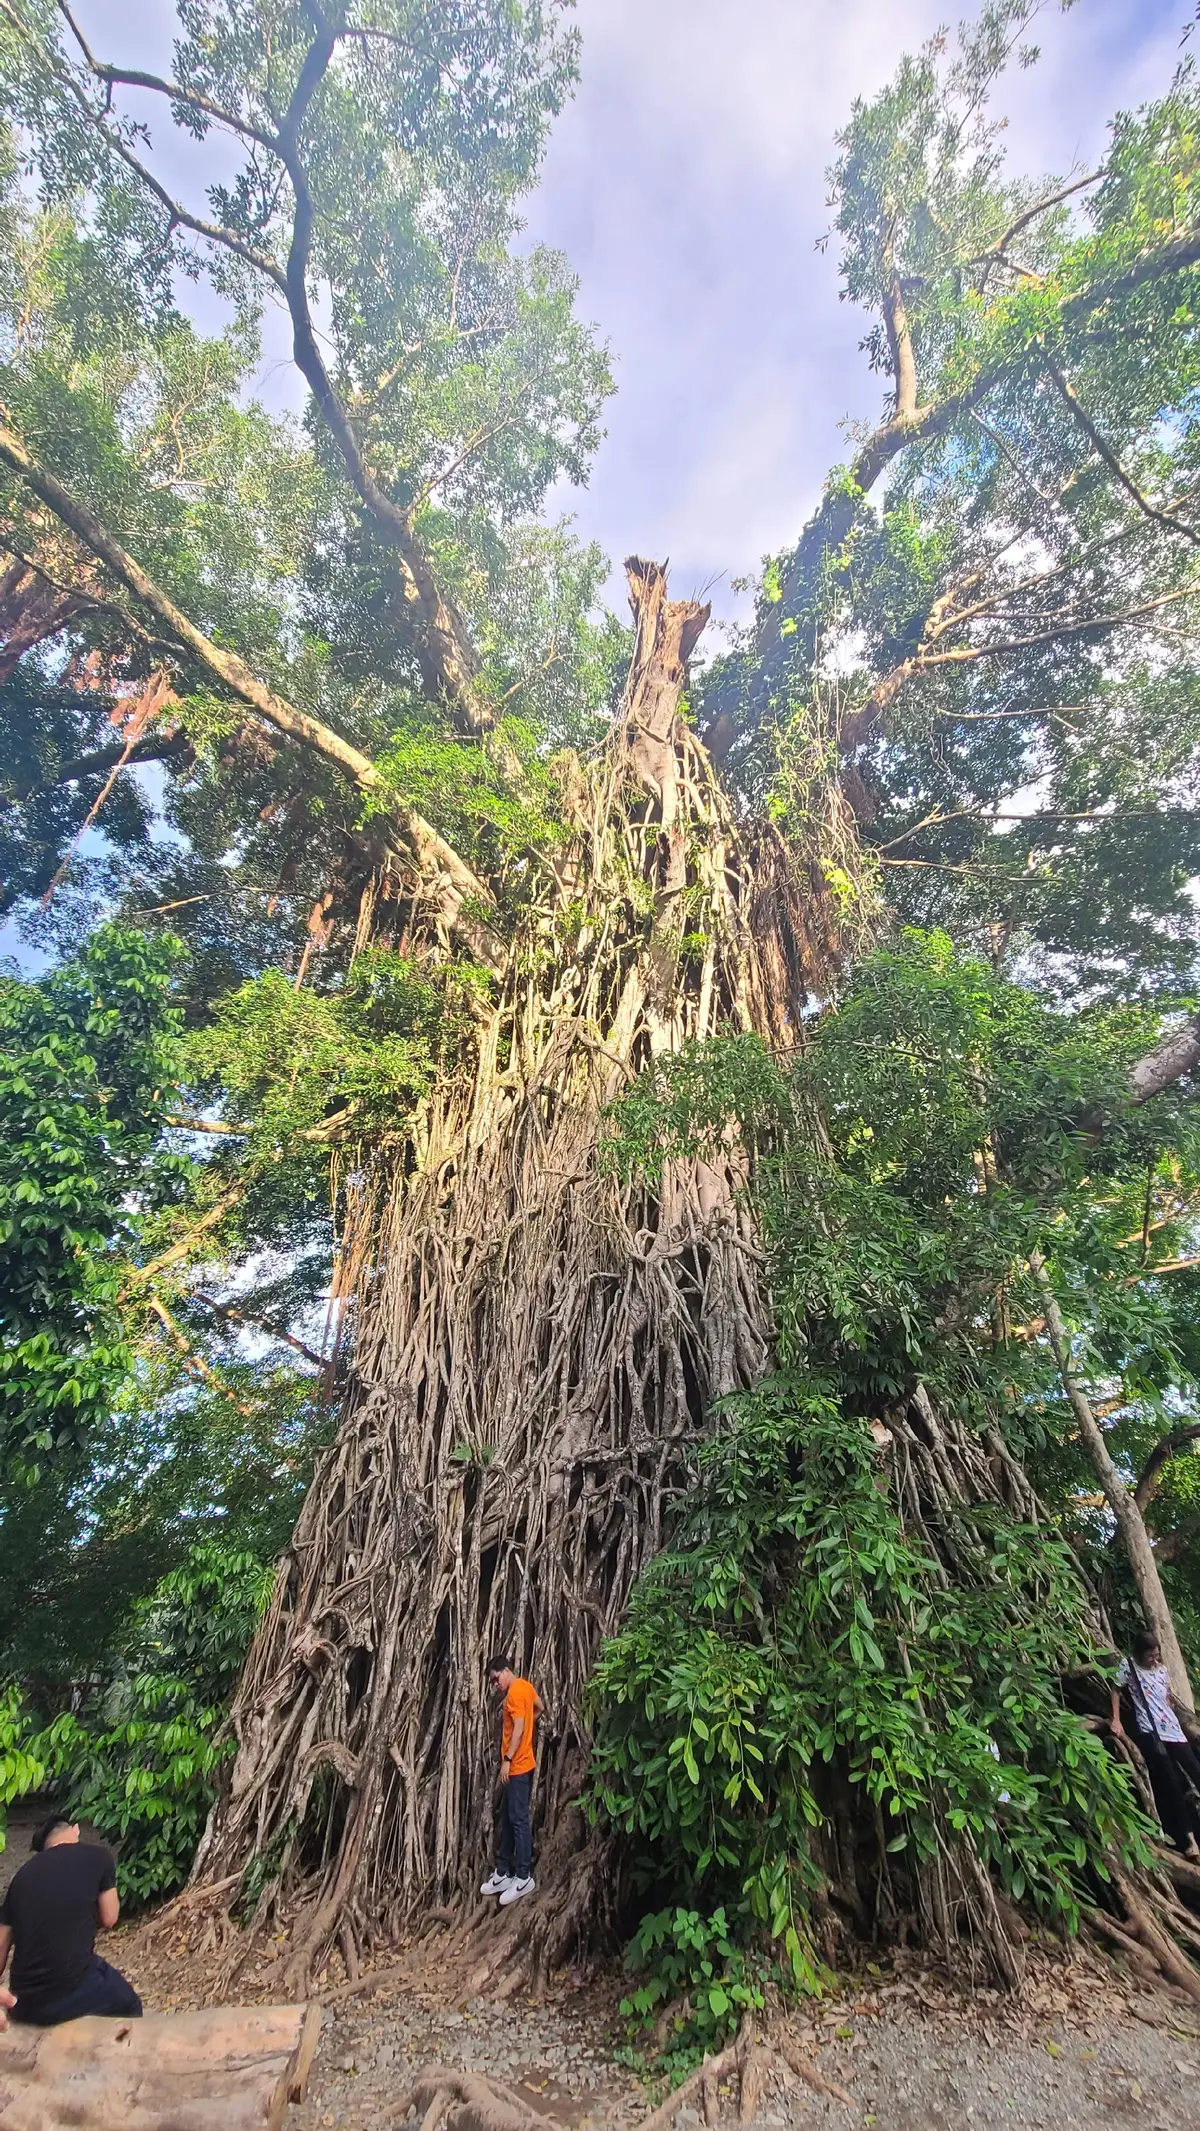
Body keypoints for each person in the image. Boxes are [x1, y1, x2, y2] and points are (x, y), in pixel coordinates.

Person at [0, 1815, 142, 2025]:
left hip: (23, 2004)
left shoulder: (21, 1876)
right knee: (130, 2004)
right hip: (72, 1991)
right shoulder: (98, 1856)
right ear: (75, 1830)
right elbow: (110, 1918)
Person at [1111, 1631, 1200, 1861]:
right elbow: (1115, 1689)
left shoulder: (1161, 1670)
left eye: (1157, 1655)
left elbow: (1167, 1695)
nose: (1155, 1659)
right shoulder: (1128, 1666)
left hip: (1174, 1731)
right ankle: (1190, 1842)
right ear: (1140, 1654)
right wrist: (1116, 1719)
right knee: (1171, 1786)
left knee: (1196, 1772)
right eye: (1150, 1656)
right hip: (1152, 1733)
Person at [479, 1655, 542, 1908]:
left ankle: (524, 1876)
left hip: (516, 1767)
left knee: (518, 1820)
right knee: (506, 1817)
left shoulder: (515, 1693)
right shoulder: (526, 1687)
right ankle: (503, 1872)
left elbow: (517, 1728)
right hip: (522, 1764)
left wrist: (507, 1758)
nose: (495, 1685)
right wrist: (529, 1731)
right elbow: (540, 1707)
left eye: (495, 1679)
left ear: (505, 1671)